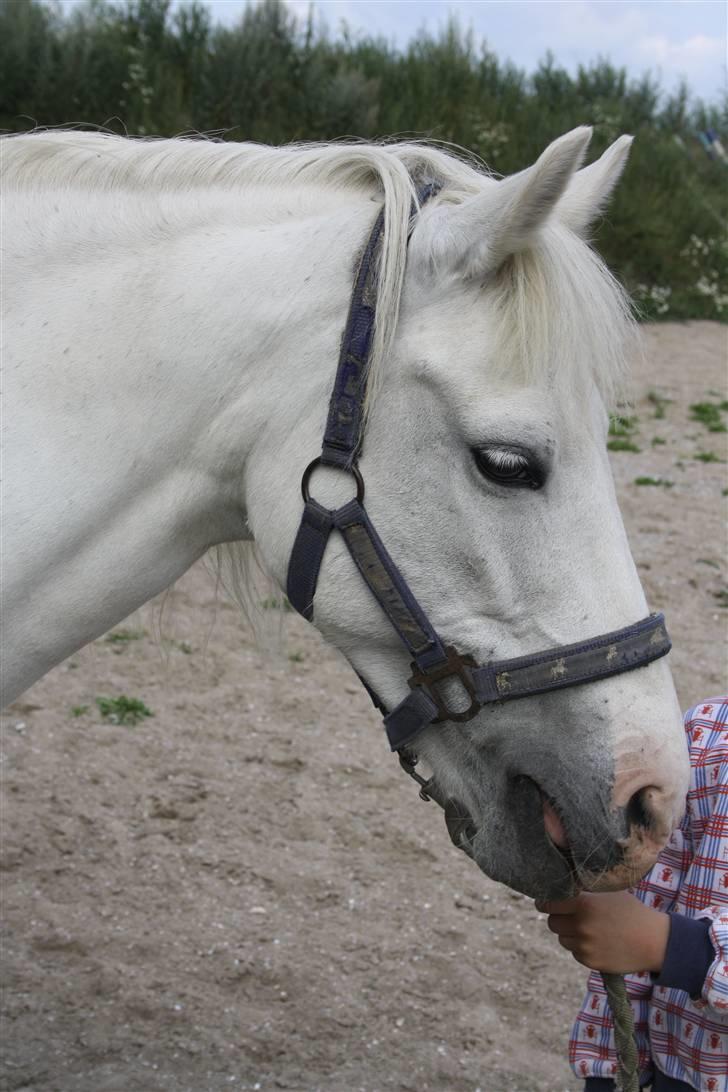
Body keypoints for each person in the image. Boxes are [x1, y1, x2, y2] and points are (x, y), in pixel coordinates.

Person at [539, 698, 728, 1092]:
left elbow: (644, 934)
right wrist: (609, 1073)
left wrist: (669, 945)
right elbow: (638, 917)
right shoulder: (707, 733)